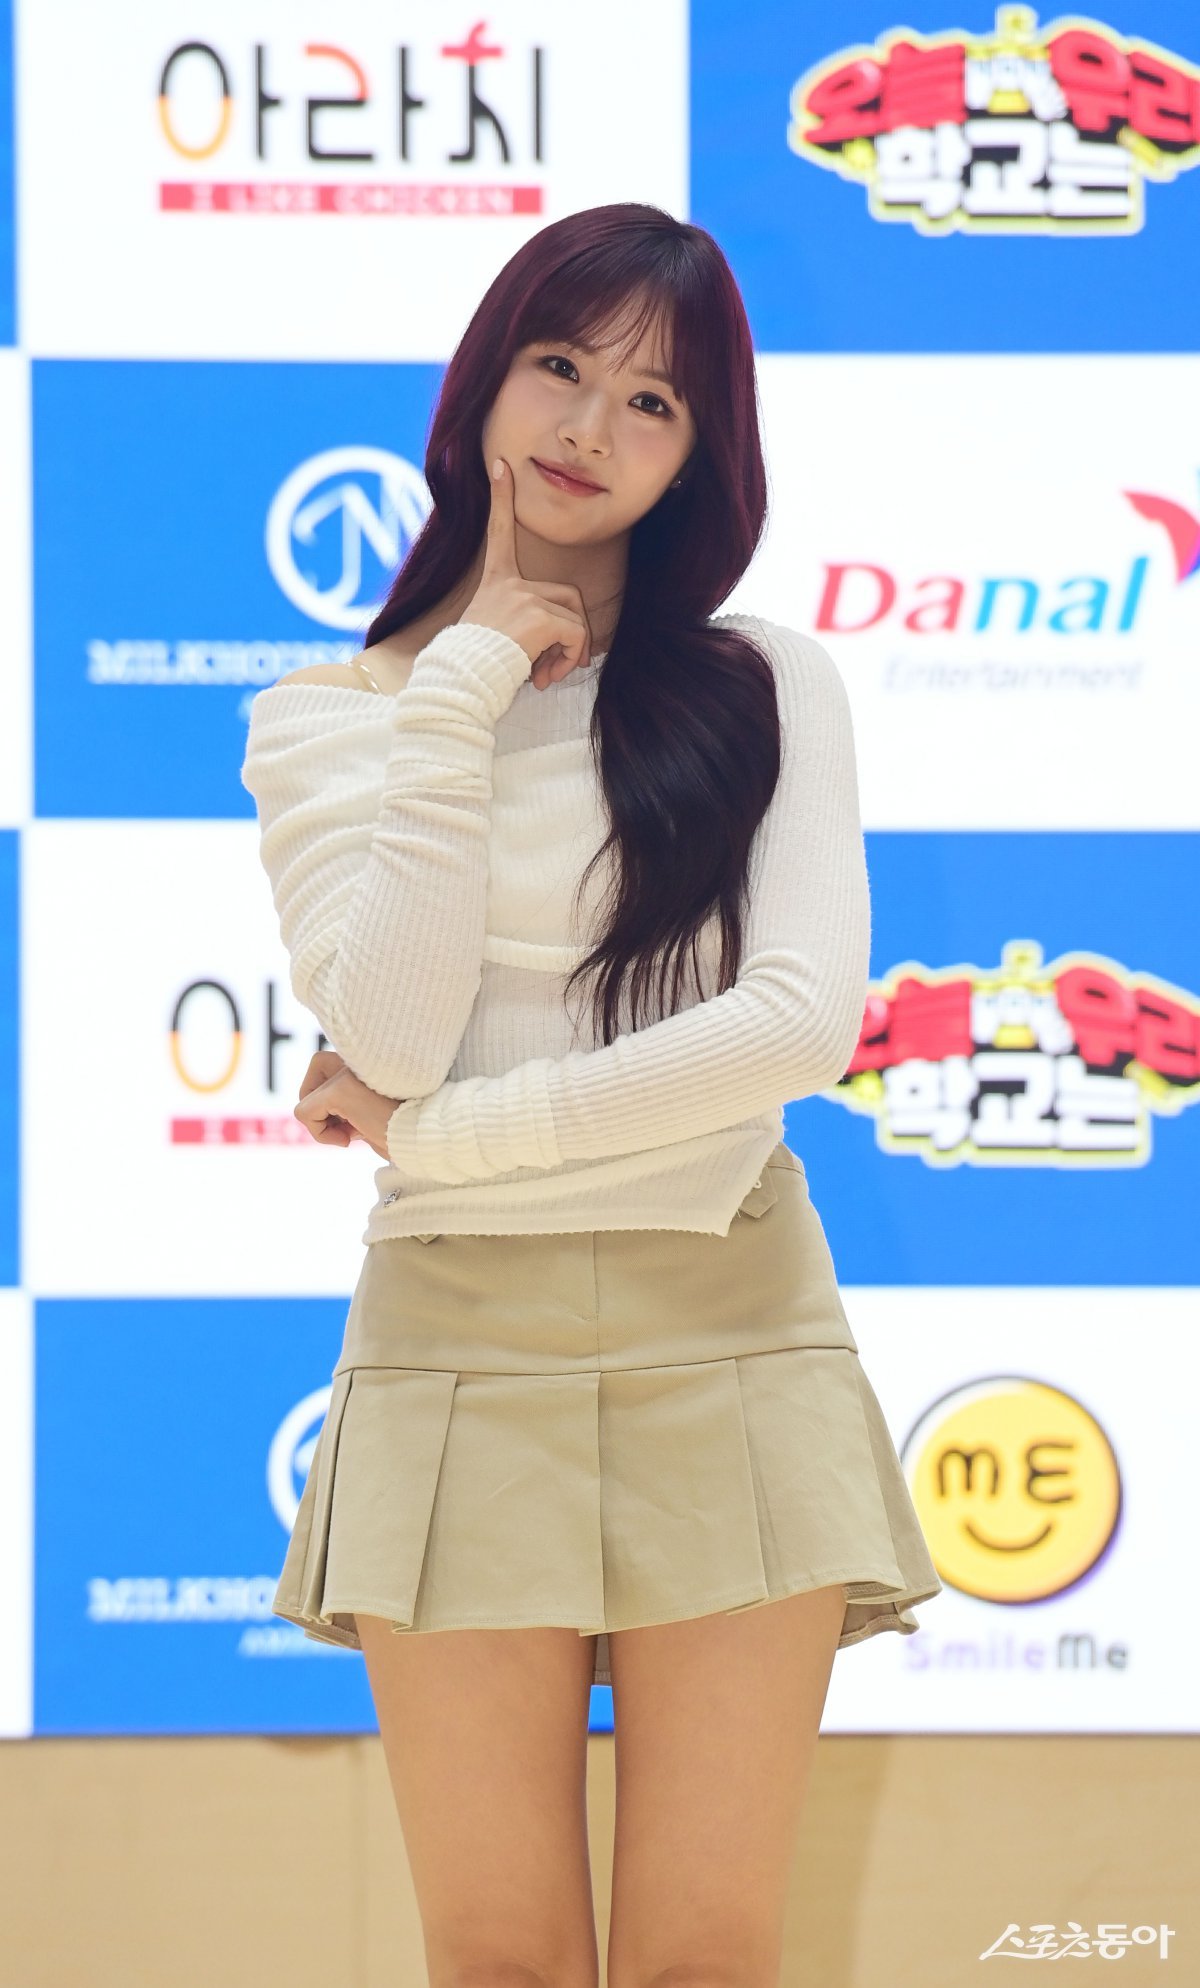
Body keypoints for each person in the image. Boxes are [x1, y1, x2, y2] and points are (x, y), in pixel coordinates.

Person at [240, 201, 942, 1988]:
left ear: (697, 454)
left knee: (708, 1954)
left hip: (734, 1325)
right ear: (487, 378)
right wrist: (468, 683)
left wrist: (446, 1143)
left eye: (653, 402)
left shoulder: (763, 682)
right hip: (458, 1350)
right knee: (501, 1961)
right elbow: (393, 1028)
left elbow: (798, 1027)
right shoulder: (329, 716)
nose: (590, 427)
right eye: (562, 366)